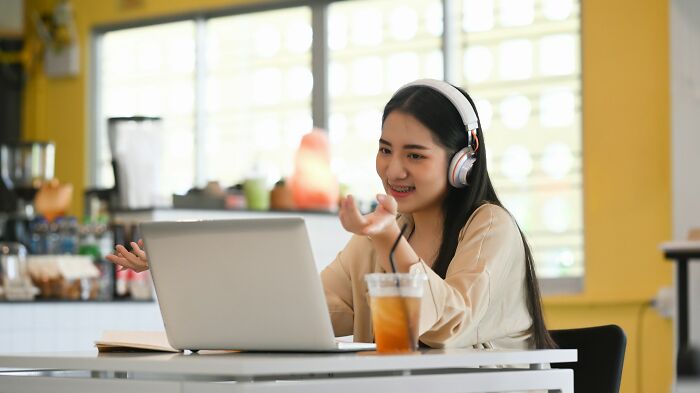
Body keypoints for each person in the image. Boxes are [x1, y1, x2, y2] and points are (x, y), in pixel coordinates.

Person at [107, 78, 556, 350]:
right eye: (385, 150)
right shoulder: (382, 231)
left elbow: (449, 324)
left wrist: (388, 242)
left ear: (462, 164)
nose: (393, 169)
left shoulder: (490, 227)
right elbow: (305, 309)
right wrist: (191, 266)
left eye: (415, 155)